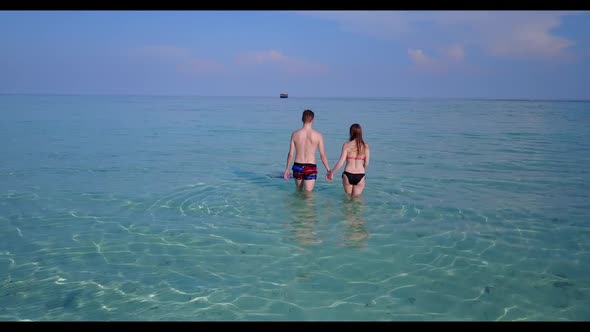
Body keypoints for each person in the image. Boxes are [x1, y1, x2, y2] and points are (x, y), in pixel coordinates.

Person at [284, 110, 331, 192]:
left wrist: (287, 169)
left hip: (297, 166)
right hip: (310, 167)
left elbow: (290, 154)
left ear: (302, 119)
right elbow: (322, 155)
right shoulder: (318, 135)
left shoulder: (295, 134)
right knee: (308, 196)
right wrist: (328, 170)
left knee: (298, 192)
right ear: (313, 120)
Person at [327, 123, 370, 196]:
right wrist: (361, 169)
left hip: (348, 174)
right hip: (360, 175)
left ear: (351, 132)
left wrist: (332, 173)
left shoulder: (346, 145)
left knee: (347, 200)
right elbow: (366, 163)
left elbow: (341, 163)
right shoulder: (366, 146)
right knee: (357, 201)